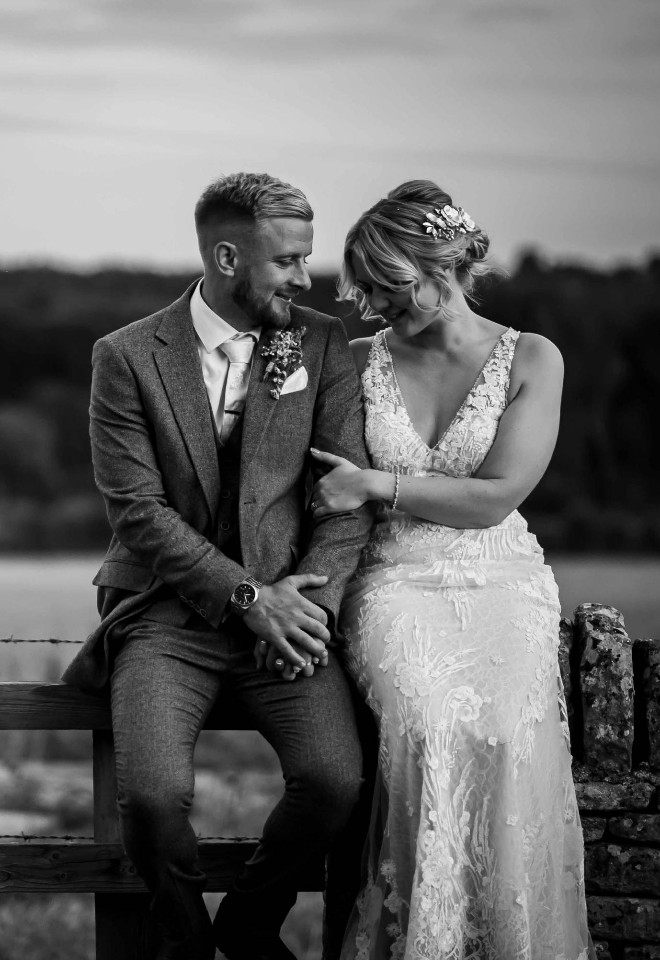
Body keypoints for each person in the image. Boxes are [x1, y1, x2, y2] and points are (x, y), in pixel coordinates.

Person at [62, 172, 375, 960]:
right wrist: (245, 597)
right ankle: (186, 940)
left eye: (307, 260)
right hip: (167, 615)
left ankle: (248, 924)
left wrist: (311, 606)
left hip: (291, 614)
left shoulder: (321, 341)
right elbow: (138, 511)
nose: (308, 279)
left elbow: (346, 500)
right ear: (229, 257)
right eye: (289, 263)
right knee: (152, 798)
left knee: (336, 783)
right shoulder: (127, 356)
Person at [309, 180, 595, 959]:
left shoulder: (532, 357)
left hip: (501, 578)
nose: (371, 303)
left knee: (506, 736)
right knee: (427, 720)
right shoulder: (356, 358)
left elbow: (497, 496)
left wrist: (375, 483)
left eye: (385, 284)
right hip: (395, 580)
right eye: (362, 288)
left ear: (437, 264)